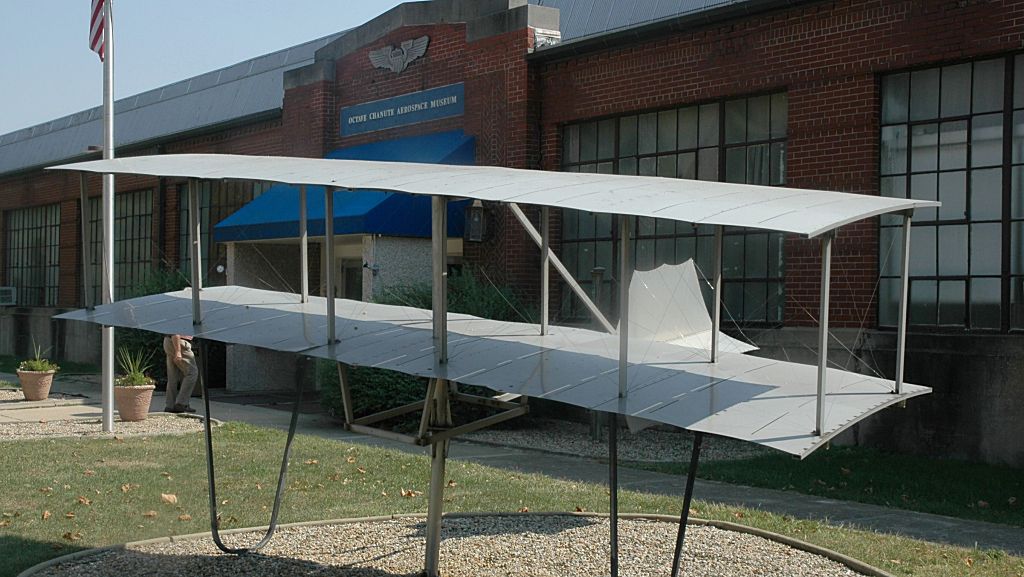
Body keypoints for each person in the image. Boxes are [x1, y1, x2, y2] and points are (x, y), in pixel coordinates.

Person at [163, 334, 198, 413]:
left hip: (169, 341)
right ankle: (181, 403)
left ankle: (170, 406)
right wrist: (178, 351)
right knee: (192, 373)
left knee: (172, 376)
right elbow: (175, 331)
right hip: (179, 342)